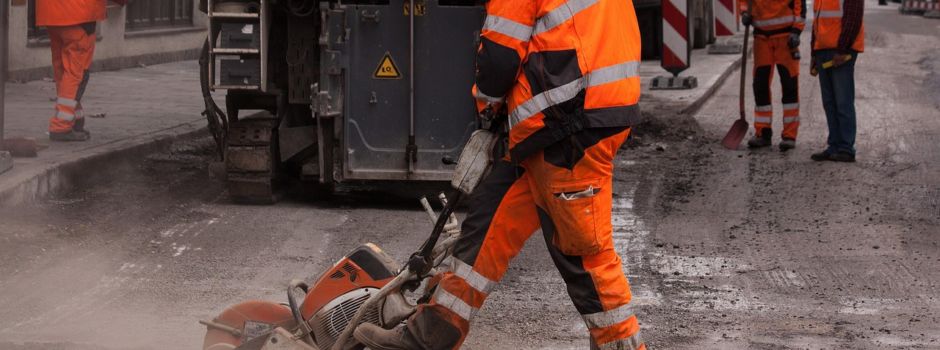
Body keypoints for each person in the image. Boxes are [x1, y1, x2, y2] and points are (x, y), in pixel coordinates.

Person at [353, 0, 646, 349]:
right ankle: (430, 334)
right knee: (488, 222)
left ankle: (622, 344)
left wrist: (488, 111)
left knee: (583, 254)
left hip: (569, 124)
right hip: (564, 119)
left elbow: (499, 58)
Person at [35, 0, 125, 142]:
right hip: (79, 14)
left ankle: (74, 118)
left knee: (62, 71)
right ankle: (61, 126)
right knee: (76, 74)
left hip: (51, 14)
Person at [741, 0, 805, 151]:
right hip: (761, 38)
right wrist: (744, 12)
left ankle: (789, 135)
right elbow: (744, 2)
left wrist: (796, 30)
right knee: (760, 86)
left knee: (789, 86)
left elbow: (800, 4)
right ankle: (763, 133)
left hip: (786, 38)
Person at [809, 0, 864, 162]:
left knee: (842, 101)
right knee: (830, 102)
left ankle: (846, 148)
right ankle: (834, 146)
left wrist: (842, 49)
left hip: (840, 51)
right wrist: (814, 52)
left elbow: (853, 17)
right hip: (822, 50)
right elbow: (817, 22)